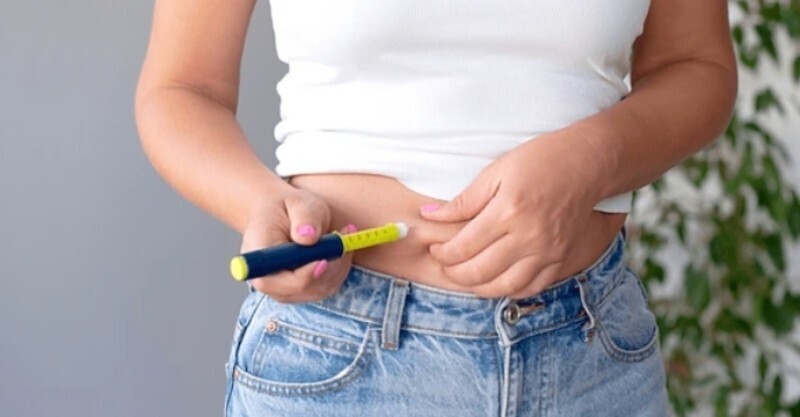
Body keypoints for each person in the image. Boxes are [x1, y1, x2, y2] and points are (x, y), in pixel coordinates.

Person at [135, 0, 737, 415]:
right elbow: (183, 87)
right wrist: (262, 203)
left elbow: (697, 66)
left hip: (592, 360)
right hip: (341, 358)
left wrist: (594, 158)